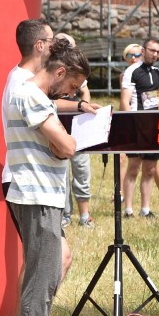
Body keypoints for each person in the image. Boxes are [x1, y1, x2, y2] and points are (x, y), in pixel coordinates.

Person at [4, 38, 90, 316]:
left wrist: (61, 144)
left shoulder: (34, 95)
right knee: (40, 278)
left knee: (47, 272)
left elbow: (57, 145)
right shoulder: (30, 94)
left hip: (41, 194)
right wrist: (67, 142)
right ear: (59, 71)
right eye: (72, 85)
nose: (71, 93)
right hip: (36, 194)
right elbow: (66, 146)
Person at [119, 37, 159, 218]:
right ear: (144, 50)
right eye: (152, 50)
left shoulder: (157, 72)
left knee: (150, 168)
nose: (155, 54)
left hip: (155, 127)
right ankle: (128, 209)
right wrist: (129, 124)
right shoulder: (132, 71)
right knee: (134, 167)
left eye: (158, 52)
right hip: (137, 125)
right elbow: (124, 100)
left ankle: (145, 209)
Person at [56, 32, 97, 228]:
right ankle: (64, 215)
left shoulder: (77, 69)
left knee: (81, 167)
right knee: (62, 169)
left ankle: (84, 214)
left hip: (78, 122)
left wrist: (84, 106)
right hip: (58, 123)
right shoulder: (52, 69)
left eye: (70, 46)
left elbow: (84, 91)